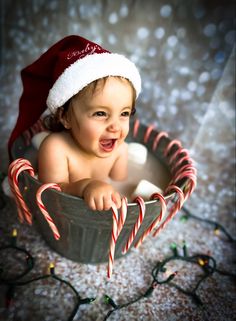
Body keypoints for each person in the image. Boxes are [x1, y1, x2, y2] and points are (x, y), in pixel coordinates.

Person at [8, 35, 141, 211]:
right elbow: (50, 194)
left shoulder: (120, 150)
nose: (115, 126)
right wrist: (86, 186)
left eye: (124, 113)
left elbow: (120, 185)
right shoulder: (56, 148)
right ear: (65, 117)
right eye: (100, 113)